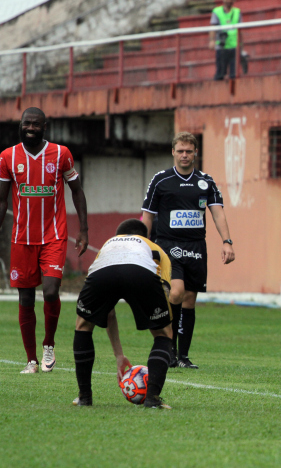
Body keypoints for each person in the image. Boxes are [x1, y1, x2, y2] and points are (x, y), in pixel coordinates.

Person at [0, 107, 88, 374]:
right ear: (20, 125)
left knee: (50, 291)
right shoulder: (7, 156)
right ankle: (31, 360)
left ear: (44, 126)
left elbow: (77, 190)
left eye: (35, 124)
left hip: (54, 235)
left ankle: (48, 345)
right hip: (22, 238)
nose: (30, 127)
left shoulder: (61, 154)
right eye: (26, 123)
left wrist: (84, 230)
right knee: (26, 297)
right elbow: (1, 199)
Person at [142, 132, 235, 369]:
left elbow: (217, 212)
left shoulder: (206, 181)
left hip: (195, 247)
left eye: (189, 151)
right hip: (167, 245)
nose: (185, 155)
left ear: (196, 153)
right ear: (173, 152)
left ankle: (183, 356)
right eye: (180, 151)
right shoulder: (161, 180)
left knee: (190, 300)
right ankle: (169, 349)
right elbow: (148, 215)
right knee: (176, 293)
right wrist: (143, 244)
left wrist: (227, 241)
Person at [72, 219, 173, 408]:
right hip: (141, 272)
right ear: (145, 237)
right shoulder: (155, 248)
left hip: (103, 273)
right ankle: (152, 398)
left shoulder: (108, 245)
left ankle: (84, 396)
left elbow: (107, 312)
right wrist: (162, 323)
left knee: (83, 325)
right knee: (163, 333)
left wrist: (119, 354)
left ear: (118, 235)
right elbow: (166, 291)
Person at [209, 0, 243, 80]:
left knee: (234, 74)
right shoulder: (217, 11)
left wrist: (241, 45)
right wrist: (212, 40)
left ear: (234, 0)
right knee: (220, 73)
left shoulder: (237, 12)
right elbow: (213, 27)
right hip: (221, 46)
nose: (229, 0)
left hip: (234, 46)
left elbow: (240, 29)